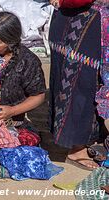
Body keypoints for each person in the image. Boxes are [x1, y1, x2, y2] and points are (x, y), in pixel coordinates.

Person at [48, 0, 108, 170]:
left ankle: (93, 136)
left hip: (85, 20)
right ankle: (77, 148)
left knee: (93, 83)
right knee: (81, 84)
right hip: (80, 22)